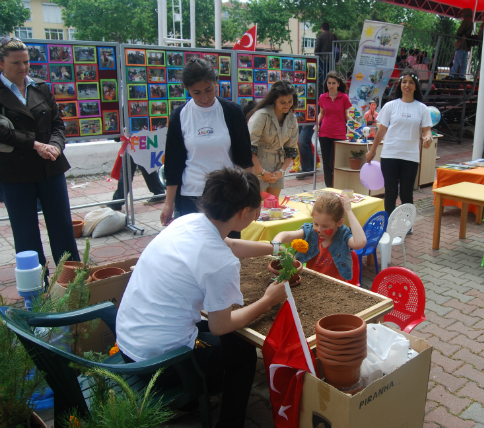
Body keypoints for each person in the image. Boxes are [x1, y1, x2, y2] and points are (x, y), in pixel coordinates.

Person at [116, 167, 287, 428]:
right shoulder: (221, 263)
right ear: (243, 213)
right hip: (159, 365)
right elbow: (220, 325)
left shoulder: (188, 221)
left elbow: (228, 243)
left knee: (228, 336)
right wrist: (268, 300)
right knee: (243, 354)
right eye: (256, 210)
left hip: (130, 343)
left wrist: (275, 249)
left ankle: (191, 402)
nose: (257, 215)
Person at [0, 37, 79, 272]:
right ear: (1, 64)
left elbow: (57, 124)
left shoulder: (40, 87)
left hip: (50, 166)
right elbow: (3, 132)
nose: (23, 68)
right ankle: (37, 288)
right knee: (26, 233)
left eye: (26, 62)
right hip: (15, 171)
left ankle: (73, 280)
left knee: (62, 227)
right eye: (16, 63)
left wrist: (55, 145)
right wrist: (36, 145)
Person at [162, 58, 254, 239]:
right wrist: (168, 204)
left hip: (228, 195)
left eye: (208, 90)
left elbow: (245, 159)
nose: (204, 98)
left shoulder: (232, 111)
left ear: (215, 82)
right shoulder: (179, 115)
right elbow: (173, 164)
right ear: (187, 89)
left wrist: (251, 198)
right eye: (196, 93)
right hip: (192, 195)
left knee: (228, 248)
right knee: (193, 247)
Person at [366, 71, 433, 215]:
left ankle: (406, 223)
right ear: (400, 85)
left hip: (410, 157)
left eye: (410, 82)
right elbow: (381, 131)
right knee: (390, 192)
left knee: (406, 193)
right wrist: (372, 151)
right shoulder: (390, 106)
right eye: (404, 82)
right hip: (390, 155)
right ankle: (389, 222)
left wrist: (428, 138)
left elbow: (427, 130)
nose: (407, 85)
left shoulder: (422, 108)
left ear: (416, 87)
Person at [273, 192, 366, 282]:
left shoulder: (343, 236)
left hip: (335, 286)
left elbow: (360, 243)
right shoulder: (310, 231)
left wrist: (349, 211)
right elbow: (286, 235)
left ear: (340, 223)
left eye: (325, 226)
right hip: (312, 282)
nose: (318, 230)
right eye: (316, 224)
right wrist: (276, 243)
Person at [246, 81, 299, 197]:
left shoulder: (292, 119)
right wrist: (261, 172)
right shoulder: (261, 116)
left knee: (273, 205)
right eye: (282, 102)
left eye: (290, 101)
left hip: (278, 167)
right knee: (257, 207)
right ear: (274, 100)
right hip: (257, 165)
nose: (287, 105)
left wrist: (281, 171)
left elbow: (290, 150)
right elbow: (249, 148)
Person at [317, 71, 351, 188]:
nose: (330, 85)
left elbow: (348, 115)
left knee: (333, 163)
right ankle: (328, 187)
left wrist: (353, 126)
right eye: (329, 83)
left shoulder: (344, 98)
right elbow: (321, 113)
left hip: (339, 133)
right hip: (324, 132)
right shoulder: (323, 97)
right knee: (326, 164)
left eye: (333, 83)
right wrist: (317, 124)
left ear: (338, 84)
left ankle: (336, 185)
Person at [446, 8, 474, 80]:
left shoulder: (465, 21)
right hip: (467, 44)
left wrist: (458, 36)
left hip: (462, 43)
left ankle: (452, 74)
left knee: (456, 60)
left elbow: (459, 31)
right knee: (463, 61)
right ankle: (462, 75)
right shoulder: (471, 22)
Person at [314, 22, 338, 90]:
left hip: (322, 61)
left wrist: (317, 59)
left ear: (322, 28)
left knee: (323, 79)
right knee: (332, 78)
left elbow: (316, 49)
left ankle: (324, 93)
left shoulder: (320, 36)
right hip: (331, 61)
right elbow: (337, 48)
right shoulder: (333, 36)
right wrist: (336, 59)